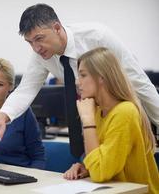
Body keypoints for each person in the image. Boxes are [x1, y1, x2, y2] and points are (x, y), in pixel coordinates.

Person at [0, 3, 159, 149]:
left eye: (39, 39)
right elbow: (26, 90)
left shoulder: (97, 36)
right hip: (92, 123)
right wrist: (2, 115)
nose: (35, 48)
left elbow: (139, 83)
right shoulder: (41, 56)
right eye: (30, 42)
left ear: (57, 28)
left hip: (122, 118)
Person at [63, 47, 159, 194]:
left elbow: (100, 172)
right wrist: (86, 167)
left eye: (83, 75)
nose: (77, 82)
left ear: (102, 77)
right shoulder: (98, 110)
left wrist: (87, 121)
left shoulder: (125, 112)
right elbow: (103, 159)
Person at [0, 58, 45, 169]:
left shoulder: (22, 112)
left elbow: (38, 157)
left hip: (19, 179)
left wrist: (31, 181)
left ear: (11, 87)